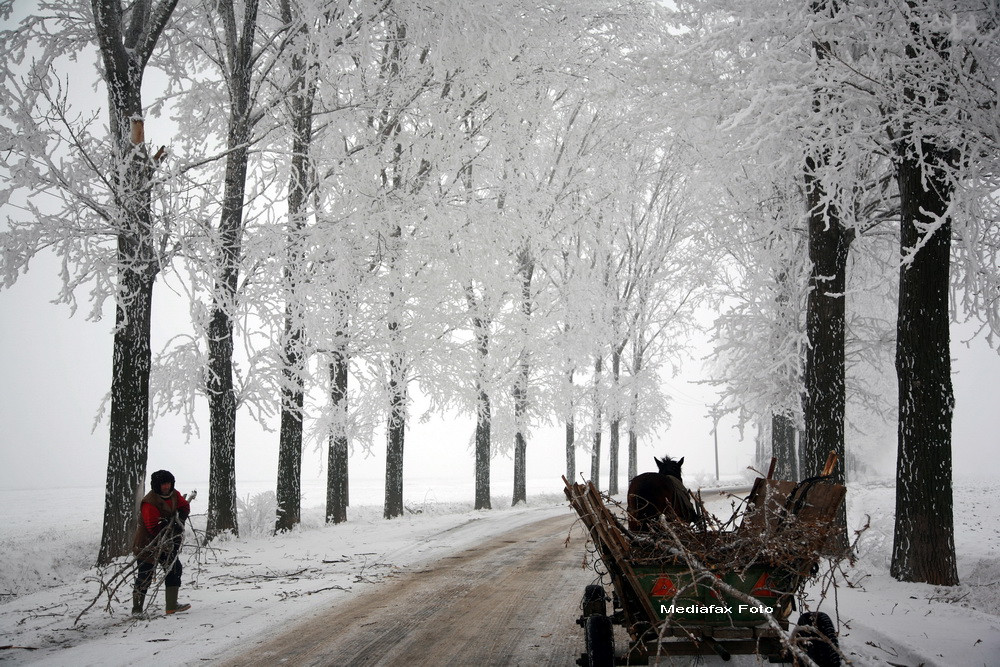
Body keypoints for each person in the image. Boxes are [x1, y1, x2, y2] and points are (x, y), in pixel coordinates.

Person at [131, 469, 192, 616]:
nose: (166, 487)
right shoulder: (149, 502)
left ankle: (171, 606)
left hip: (167, 543)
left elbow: (184, 506)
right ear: (156, 485)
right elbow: (153, 527)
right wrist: (167, 529)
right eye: (163, 484)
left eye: (168, 483)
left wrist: (180, 520)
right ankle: (137, 610)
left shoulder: (174, 494)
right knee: (145, 575)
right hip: (148, 544)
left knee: (174, 569)